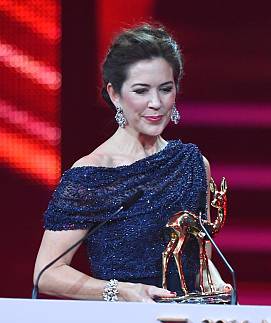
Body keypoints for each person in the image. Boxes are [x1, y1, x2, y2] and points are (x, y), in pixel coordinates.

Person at [33, 23, 231, 302]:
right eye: (141, 91)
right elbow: (48, 272)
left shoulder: (193, 164)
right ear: (115, 94)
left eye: (165, 89)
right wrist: (123, 291)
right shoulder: (92, 175)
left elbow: (198, 259)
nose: (156, 103)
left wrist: (215, 281)